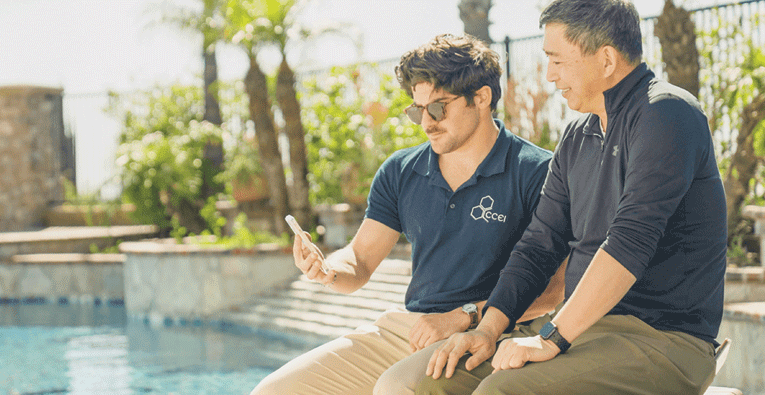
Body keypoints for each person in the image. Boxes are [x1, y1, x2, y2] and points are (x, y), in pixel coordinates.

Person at [410, 1, 728, 394]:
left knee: (501, 391)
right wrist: (490, 329)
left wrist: (552, 338)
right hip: (580, 326)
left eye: (557, 61)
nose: (548, 75)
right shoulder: (578, 136)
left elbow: (630, 241)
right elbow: (539, 244)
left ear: (607, 59)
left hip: (660, 339)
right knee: (413, 385)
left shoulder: (666, 114)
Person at [250, 34, 563, 395]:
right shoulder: (401, 171)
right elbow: (360, 261)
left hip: (496, 329)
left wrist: (465, 316)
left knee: (397, 389)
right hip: (414, 328)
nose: (426, 122)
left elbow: (553, 290)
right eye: (417, 110)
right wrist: (328, 269)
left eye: (437, 108)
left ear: (481, 97)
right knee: (274, 390)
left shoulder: (538, 172)